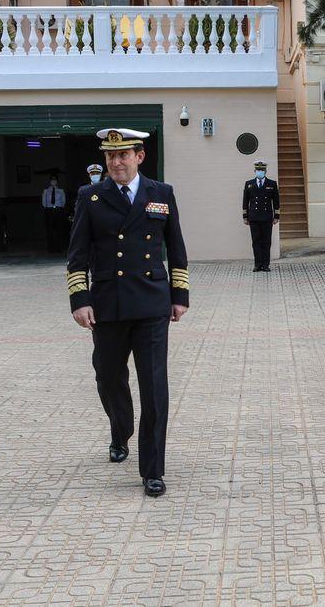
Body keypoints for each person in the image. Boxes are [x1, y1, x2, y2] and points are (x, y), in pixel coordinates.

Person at [68, 128, 189, 498]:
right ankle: (120, 429)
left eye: (123, 156)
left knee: (155, 387)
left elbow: (176, 246)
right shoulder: (90, 196)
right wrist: (79, 299)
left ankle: (152, 469)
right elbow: (78, 252)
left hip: (151, 302)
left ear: (140, 156)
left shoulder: (161, 193)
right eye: (110, 157)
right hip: (108, 304)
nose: (116, 163)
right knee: (108, 376)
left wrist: (179, 293)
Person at [242, 160, 280, 272]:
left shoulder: (271, 184)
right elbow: (245, 201)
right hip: (254, 218)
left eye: (262, 170)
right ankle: (257, 264)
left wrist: (276, 216)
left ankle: (265, 265)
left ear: (265, 171)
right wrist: (245, 216)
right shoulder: (249, 183)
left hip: (267, 217)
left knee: (266, 242)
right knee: (256, 241)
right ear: (254, 171)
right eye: (258, 170)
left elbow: (276, 201)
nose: (260, 172)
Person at [42, 173, 67, 253]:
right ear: (50, 181)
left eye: (55, 180)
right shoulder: (46, 191)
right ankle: (50, 248)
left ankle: (59, 248)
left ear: (57, 181)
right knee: (49, 230)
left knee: (59, 230)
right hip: (49, 211)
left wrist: (59, 208)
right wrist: (47, 208)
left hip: (58, 210)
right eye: (52, 180)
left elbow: (63, 202)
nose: (53, 181)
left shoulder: (61, 191)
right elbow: (44, 202)